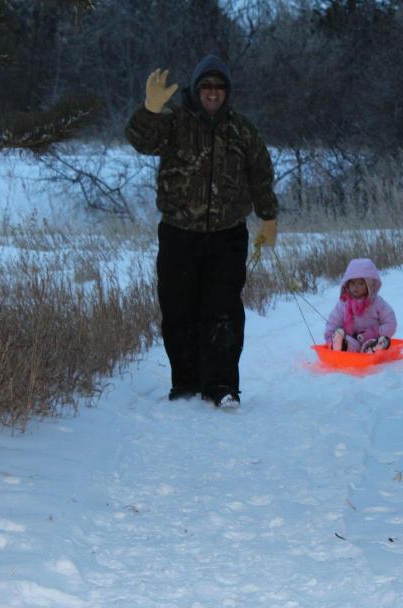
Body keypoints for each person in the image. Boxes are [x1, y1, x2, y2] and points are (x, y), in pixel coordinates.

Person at [126, 55, 279, 408]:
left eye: (219, 87)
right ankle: (186, 382)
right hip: (179, 233)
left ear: (228, 92)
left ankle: (222, 385)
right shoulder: (175, 122)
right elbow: (140, 140)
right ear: (196, 90)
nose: (213, 93)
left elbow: (260, 174)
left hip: (228, 236)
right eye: (206, 87)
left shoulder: (241, 130)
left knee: (223, 311)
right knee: (178, 310)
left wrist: (268, 217)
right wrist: (150, 110)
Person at [324, 258, 397, 353]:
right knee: (347, 341)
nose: (356, 287)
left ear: (369, 285)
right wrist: (330, 340)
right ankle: (339, 344)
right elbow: (333, 321)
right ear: (347, 284)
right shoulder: (343, 303)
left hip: (372, 338)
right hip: (352, 340)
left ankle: (376, 347)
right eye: (353, 283)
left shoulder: (376, 302)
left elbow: (390, 322)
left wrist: (376, 332)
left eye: (361, 284)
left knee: (376, 342)